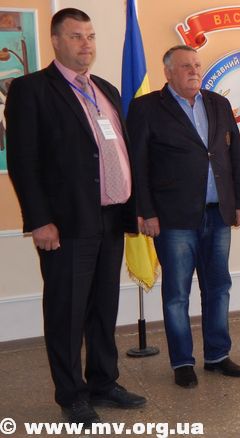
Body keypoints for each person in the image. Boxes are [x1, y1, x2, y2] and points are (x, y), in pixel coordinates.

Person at [5, 8, 145, 425]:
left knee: (103, 307)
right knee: (66, 312)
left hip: (111, 217)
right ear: (56, 41)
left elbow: (118, 150)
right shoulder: (31, 89)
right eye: (76, 36)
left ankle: (103, 381)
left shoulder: (105, 89)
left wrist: (134, 208)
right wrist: (39, 219)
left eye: (91, 36)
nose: (86, 44)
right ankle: (71, 395)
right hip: (66, 223)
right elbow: (23, 161)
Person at [128, 45, 240, 388]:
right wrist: (146, 211)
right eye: (185, 66)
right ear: (168, 72)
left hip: (218, 212)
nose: (194, 71)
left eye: (196, 65)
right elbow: (138, 165)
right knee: (177, 294)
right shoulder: (146, 108)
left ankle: (218, 355)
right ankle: (182, 361)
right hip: (173, 218)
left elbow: (234, 156)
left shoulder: (218, 103)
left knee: (219, 287)